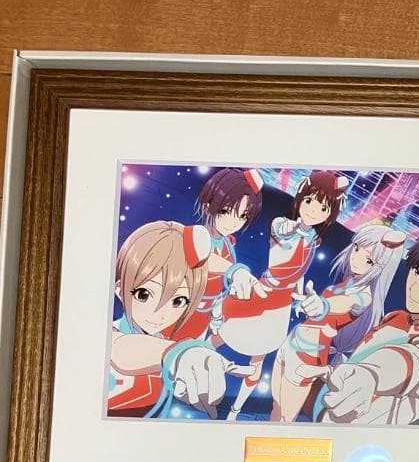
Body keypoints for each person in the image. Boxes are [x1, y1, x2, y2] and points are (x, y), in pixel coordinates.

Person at [216, 170, 348, 419]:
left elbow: (299, 273)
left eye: (323, 208)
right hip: (263, 292)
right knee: (220, 336)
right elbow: (283, 230)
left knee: (257, 359)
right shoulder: (282, 224)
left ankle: (235, 410)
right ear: (300, 198)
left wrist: (300, 296)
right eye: (309, 201)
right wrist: (295, 227)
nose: (313, 210)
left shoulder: (313, 240)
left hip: (282, 304)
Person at [317, 230, 419, 426]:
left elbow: (409, 364)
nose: (415, 288)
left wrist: (370, 375)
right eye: (416, 272)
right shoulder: (396, 318)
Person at [108, 221, 253, 418]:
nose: (161, 314)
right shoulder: (111, 336)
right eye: (144, 294)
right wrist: (178, 352)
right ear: (119, 290)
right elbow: (121, 348)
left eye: (178, 301)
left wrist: (234, 270)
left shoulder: (160, 338)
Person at [270, 223, 406, 422]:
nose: (356, 259)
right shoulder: (347, 282)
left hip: (307, 355)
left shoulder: (364, 297)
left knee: (285, 420)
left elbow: (339, 305)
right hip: (291, 343)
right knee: (276, 408)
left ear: (381, 268)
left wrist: (322, 305)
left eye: (369, 260)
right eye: (356, 248)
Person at [170, 168, 266, 341]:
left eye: (243, 216)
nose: (234, 222)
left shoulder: (228, 245)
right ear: (208, 206)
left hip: (202, 321)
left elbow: (220, 289)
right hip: (176, 315)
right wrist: (235, 271)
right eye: (226, 211)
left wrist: (216, 313)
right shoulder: (193, 235)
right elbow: (201, 257)